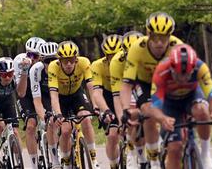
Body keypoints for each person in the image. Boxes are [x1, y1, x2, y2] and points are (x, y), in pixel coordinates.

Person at [120, 12, 184, 169]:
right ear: (148, 34)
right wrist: (126, 109)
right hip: (144, 83)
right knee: (148, 113)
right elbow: (127, 84)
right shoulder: (137, 48)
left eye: (164, 38)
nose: (159, 43)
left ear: (170, 37)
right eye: (155, 37)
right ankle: (154, 162)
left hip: (168, 83)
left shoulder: (177, 46)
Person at [146, 45, 212, 169]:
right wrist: (163, 119)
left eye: (187, 76)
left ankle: (205, 155)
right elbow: (154, 107)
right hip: (170, 104)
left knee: (202, 111)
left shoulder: (201, 67)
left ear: (193, 69)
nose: (182, 80)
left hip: (191, 97)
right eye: (177, 76)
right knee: (175, 148)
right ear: (171, 68)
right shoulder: (161, 70)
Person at [47, 41, 99, 169]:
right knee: (65, 130)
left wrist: (96, 106)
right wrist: (58, 114)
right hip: (61, 98)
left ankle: (93, 158)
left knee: (86, 119)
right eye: (65, 61)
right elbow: (53, 95)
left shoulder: (84, 62)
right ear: (59, 61)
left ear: (76, 59)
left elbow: (90, 86)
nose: (69, 64)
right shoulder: (53, 67)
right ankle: (66, 161)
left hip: (77, 95)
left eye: (71, 60)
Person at [110, 31, 145, 168]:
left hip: (145, 83)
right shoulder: (116, 62)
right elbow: (117, 95)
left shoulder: (149, 55)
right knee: (130, 115)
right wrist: (121, 119)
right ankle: (131, 151)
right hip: (127, 87)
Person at [90, 35, 123, 169]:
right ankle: (114, 165)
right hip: (107, 97)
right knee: (112, 135)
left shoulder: (128, 62)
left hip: (125, 93)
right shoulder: (97, 65)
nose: (112, 59)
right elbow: (97, 92)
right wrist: (105, 110)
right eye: (109, 55)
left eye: (115, 55)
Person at [15, 37, 45, 169]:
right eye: (30, 55)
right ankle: (33, 164)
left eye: (36, 56)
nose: (32, 59)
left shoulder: (47, 63)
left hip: (42, 93)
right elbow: (20, 92)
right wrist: (25, 72)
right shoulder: (19, 61)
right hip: (26, 95)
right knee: (31, 126)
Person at [31, 41, 60, 169]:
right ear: (42, 61)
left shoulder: (63, 68)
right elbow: (37, 100)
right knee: (51, 122)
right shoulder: (36, 70)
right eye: (48, 61)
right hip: (44, 97)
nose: (51, 64)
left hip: (60, 96)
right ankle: (55, 161)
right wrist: (44, 117)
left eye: (54, 60)